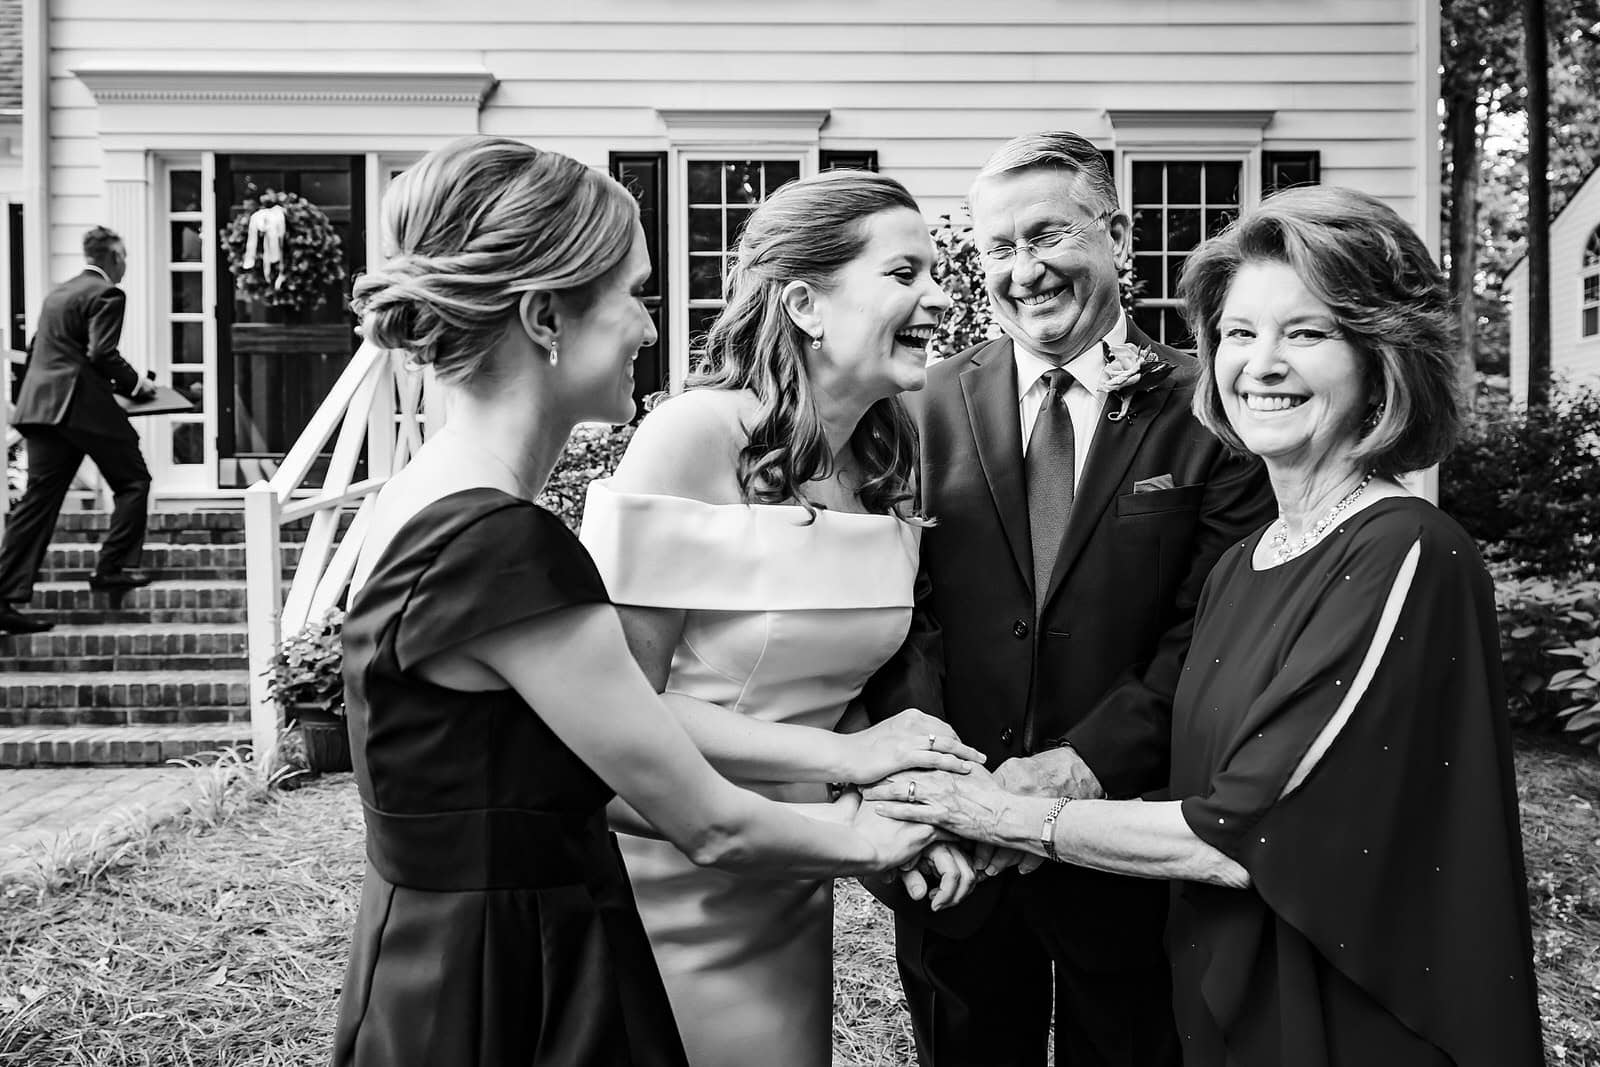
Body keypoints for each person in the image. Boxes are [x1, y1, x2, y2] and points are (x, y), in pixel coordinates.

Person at [867, 185, 1546, 1067]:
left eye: (1307, 333)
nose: (1260, 363)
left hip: (1338, 1006)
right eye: (1237, 333)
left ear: (1384, 356)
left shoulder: (1408, 552)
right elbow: (1197, 783)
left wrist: (996, 811)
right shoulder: (1249, 562)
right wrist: (991, 820)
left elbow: (1240, 835)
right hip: (1217, 989)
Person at [330, 137, 939, 1067]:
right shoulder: (498, 545)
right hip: (499, 980)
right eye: (631, 295)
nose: (652, 330)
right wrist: (889, 834)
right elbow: (709, 818)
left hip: (447, 953)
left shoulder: (428, 499)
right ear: (544, 317)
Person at [859, 131, 1276, 1066]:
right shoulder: (920, 404)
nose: (1024, 270)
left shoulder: (1213, 410)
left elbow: (1211, 634)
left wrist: (1082, 764)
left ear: (1118, 237)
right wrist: (947, 784)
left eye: (1047, 236)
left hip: (1124, 842)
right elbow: (896, 612)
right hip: (956, 845)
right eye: (999, 248)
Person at [577, 169, 985, 1067]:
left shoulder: (884, 457)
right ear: (805, 301)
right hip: (667, 858)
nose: (940, 293)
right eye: (905, 273)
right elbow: (615, 709)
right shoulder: (690, 435)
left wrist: (876, 804)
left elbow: (825, 684)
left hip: (793, 867)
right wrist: (850, 764)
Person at [0, 226, 157, 634]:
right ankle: (113, 567)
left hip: (40, 409)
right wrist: (138, 386)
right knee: (134, 480)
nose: (125, 266)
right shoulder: (107, 294)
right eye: (124, 258)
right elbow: (101, 353)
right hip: (80, 408)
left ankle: (3, 597)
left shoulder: (58, 294)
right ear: (113, 258)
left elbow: (39, 351)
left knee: (38, 502)